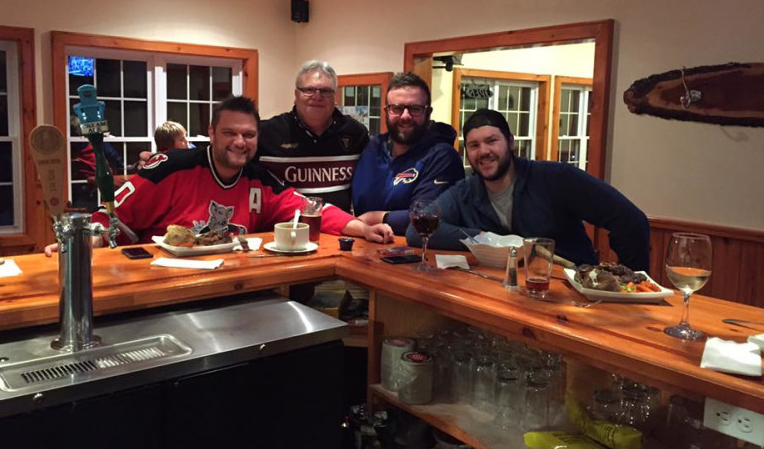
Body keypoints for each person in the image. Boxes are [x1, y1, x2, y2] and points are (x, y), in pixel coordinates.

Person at [45, 96, 393, 255]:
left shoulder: (260, 180)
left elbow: (310, 207)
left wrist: (362, 228)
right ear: (211, 132)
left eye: (249, 135)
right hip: (163, 295)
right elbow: (112, 214)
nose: (240, 142)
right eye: (230, 133)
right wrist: (78, 243)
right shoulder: (171, 167)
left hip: (235, 295)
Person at [407, 108, 650, 271]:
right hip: (507, 300)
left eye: (492, 141)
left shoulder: (555, 178)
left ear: (510, 142)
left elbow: (631, 221)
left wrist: (630, 283)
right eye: (474, 145)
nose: (483, 152)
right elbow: (416, 231)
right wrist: (486, 240)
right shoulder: (465, 191)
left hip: (571, 298)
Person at [352, 72, 464, 235]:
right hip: (363, 251)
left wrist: (376, 217)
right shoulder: (372, 148)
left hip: (417, 254)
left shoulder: (443, 157)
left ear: (428, 112)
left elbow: (430, 216)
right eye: (397, 108)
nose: (405, 116)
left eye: (415, 109)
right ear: (386, 111)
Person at [257, 61, 369, 212]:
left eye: (325, 91)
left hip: (340, 231)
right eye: (309, 89)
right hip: (283, 229)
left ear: (334, 97)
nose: (317, 96)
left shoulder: (356, 133)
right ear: (296, 95)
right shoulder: (266, 133)